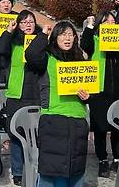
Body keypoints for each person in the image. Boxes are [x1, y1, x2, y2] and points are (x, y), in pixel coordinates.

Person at [24, 21, 90, 187]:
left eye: (70, 34)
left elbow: (91, 91)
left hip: (78, 121)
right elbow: (31, 55)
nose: (67, 38)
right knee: (51, 173)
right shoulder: (46, 59)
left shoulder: (80, 61)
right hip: (53, 120)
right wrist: (42, 35)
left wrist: (87, 96)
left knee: (75, 171)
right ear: (55, 38)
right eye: (62, 34)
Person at [80, 10, 119, 177]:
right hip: (99, 89)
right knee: (100, 127)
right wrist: (89, 26)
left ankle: (117, 159)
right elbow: (85, 44)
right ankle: (102, 159)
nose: (110, 24)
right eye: (106, 21)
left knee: (118, 126)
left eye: (112, 21)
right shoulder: (94, 40)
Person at [0, 10, 46, 186]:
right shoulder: (14, 42)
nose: (27, 25)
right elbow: (0, 50)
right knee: (17, 135)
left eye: (31, 22)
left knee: (37, 135)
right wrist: (8, 31)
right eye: (23, 22)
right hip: (17, 94)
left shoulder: (42, 40)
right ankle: (18, 171)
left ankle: (37, 168)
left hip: (37, 93)